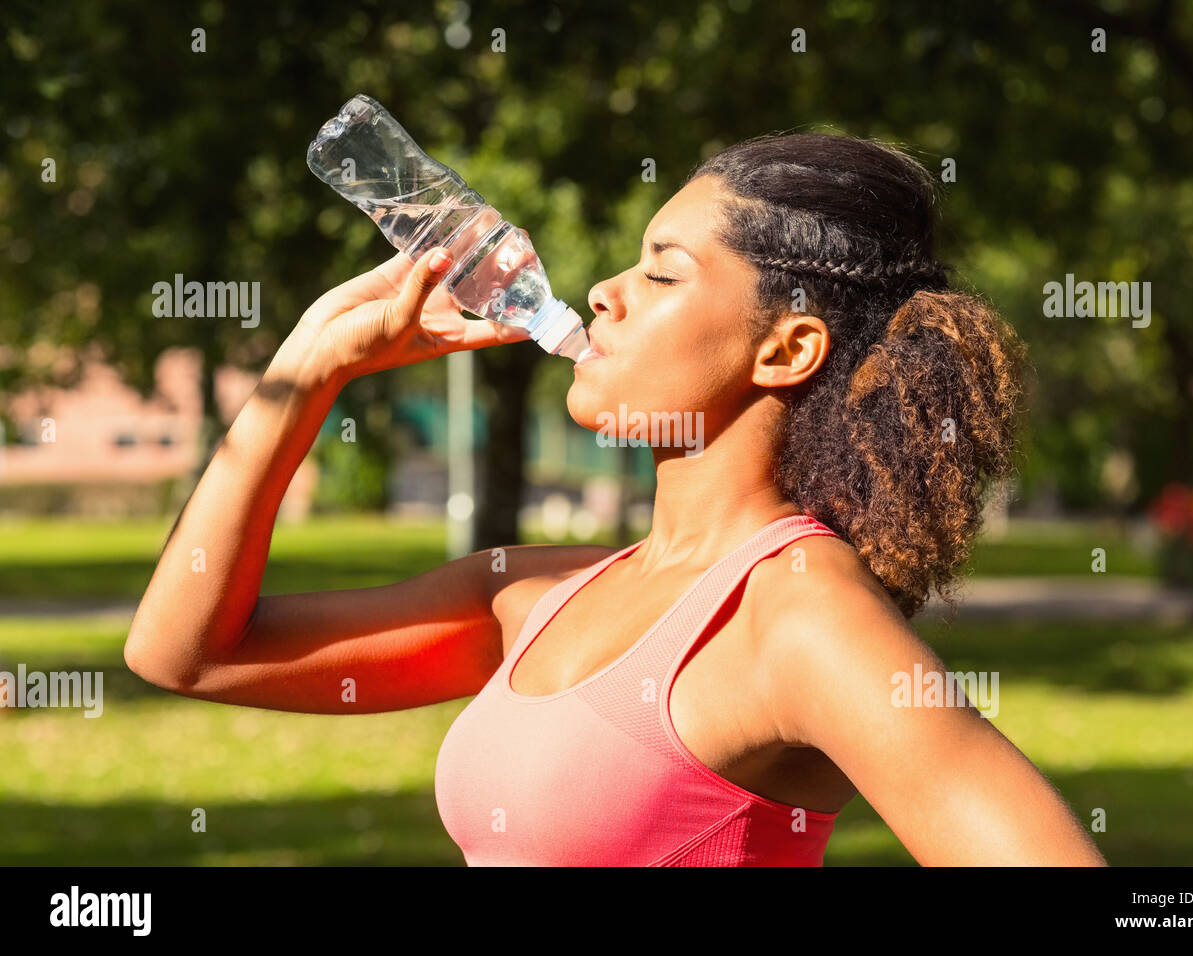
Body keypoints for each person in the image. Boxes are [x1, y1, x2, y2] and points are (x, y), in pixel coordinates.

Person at [125, 131, 1107, 867]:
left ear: (785, 348)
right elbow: (188, 651)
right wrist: (312, 365)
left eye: (660, 270)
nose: (602, 289)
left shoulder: (795, 614)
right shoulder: (533, 594)